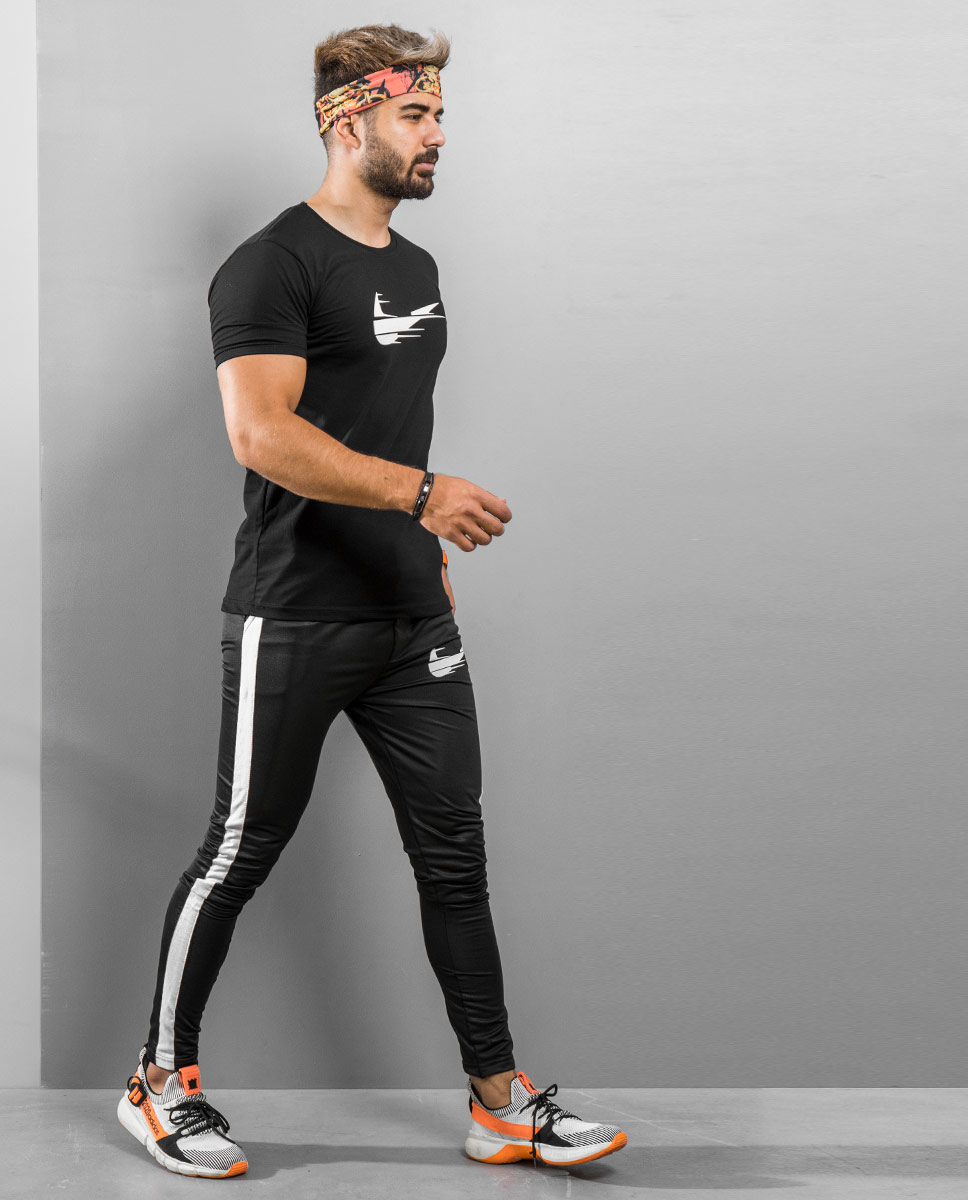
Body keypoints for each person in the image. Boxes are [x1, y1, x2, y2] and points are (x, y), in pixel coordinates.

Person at [116, 22, 628, 1180]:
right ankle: (158, 1082)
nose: (439, 134)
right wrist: (423, 495)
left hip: (411, 621)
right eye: (417, 115)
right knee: (239, 851)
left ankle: (500, 1105)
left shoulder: (418, 269)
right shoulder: (271, 265)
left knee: (455, 860)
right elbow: (262, 434)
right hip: (294, 612)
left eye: (441, 114)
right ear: (349, 121)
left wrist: (422, 546)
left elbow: (391, 423)